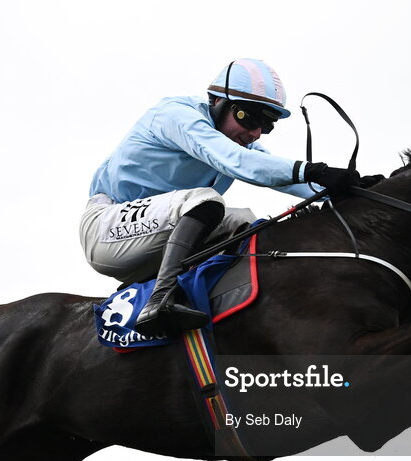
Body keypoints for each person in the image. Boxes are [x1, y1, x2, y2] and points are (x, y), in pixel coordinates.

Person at [80, 58, 372, 336]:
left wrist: (352, 191)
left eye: (266, 125)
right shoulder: (177, 115)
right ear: (218, 102)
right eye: (248, 117)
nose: (255, 133)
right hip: (106, 229)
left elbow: (281, 174)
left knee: (248, 221)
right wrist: (314, 171)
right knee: (205, 199)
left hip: (159, 237)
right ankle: (159, 302)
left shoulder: (232, 142)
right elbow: (237, 162)